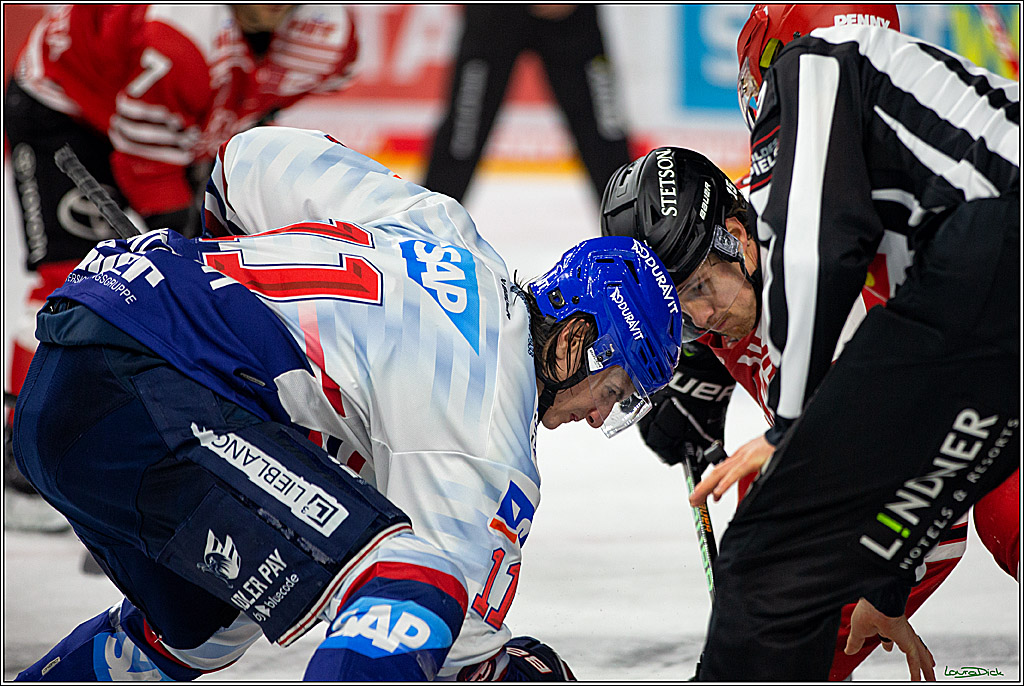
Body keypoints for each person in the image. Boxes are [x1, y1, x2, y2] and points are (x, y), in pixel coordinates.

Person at [13, 126, 683, 680]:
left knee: (207, 626)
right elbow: (452, 639)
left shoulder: (444, 226)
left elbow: (245, 161)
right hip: (145, 388)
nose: (599, 415)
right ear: (573, 341)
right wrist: (517, 671)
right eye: (613, 390)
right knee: (413, 586)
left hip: (76, 356)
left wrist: (212, 284)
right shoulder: (488, 425)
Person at [607, 1, 1019, 678]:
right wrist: (693, 372)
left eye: (701, 298)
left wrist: (877, 580)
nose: (701, 320)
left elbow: (915, 460)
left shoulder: (815, 132)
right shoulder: (824, 190)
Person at [4, 5, 360, 530]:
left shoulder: (330, 35)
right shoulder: (183, 33)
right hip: (68, 108)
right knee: (81, 284)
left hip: (173, 116)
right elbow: (143, 162)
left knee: (207, 272)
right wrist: (181, 250)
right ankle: (19, 448)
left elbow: (259, 109)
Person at [422, 4, 631, 204]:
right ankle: (426, 226)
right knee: (464, 128)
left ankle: (636, 225)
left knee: (604, 132)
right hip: (495, 14)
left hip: (569, 16)